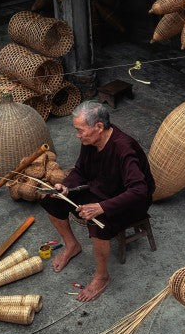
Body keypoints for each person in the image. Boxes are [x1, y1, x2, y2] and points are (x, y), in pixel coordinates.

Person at [37, 100, 155, 302]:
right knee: (52, 199)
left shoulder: (124, 148)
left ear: (99, 127)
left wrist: (101, 207)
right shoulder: (90, 142)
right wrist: (66, 186)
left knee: (97, 223)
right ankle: (72, 245)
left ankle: (102, 276)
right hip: (100, 189)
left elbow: (140, 190)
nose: (77, 135)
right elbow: (81, 171)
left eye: (80, 130)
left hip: (129, 202)